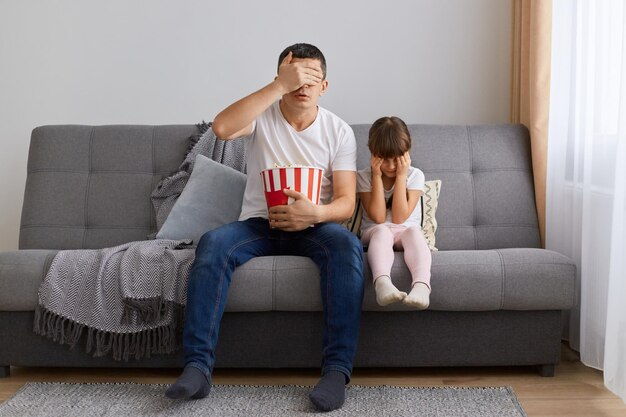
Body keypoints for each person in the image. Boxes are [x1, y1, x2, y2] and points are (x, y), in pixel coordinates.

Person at [165, 43, 365, 412]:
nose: (303, 85)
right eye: (296, 77)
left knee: (347, 247)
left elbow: (347, 203)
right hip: (259, 224)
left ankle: (336, 372)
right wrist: (276, 86)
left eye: (312, 78)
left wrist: (314, 214)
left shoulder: (339, 132)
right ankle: (197, 368)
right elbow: (222, 128)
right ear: (283, 78)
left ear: (324, 86)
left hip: (314, 227)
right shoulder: (264, 115)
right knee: (213, 244)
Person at [357, 116, 432, 309]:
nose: (391, 166)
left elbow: (399, 218)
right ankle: (382, 284)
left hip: (405, 231)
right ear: (372, 153)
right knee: (383, 231)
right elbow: (379, 218)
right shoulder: (364, 177)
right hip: (375, 232)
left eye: (396, 159)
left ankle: (422, 287)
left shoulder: (415, 175)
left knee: (414, 232)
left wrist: (401, 175)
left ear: (408, 152)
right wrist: (376, 175)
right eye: (384, 159)